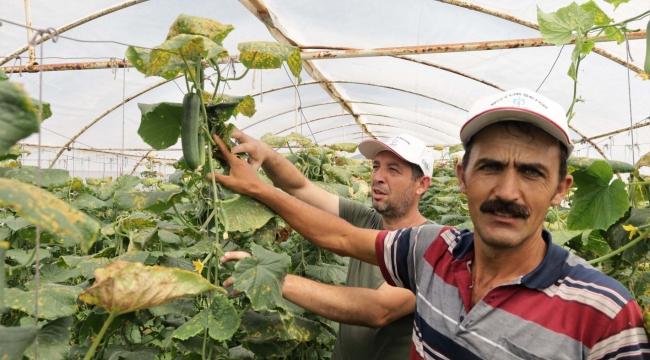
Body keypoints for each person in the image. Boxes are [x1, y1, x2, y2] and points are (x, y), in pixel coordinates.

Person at [211, 88, 650, 359]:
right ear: (463, 177)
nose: (508, 192)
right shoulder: (431, 249)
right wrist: (264, 169)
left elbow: (376, 309)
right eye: (491, 167)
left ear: (561, 188)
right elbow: (324, 216)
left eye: (532, 172)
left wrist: (265, 278)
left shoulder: (606, 314)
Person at [220, 129, 435, 359]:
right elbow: (300, 187)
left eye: (393, 169)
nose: (378, 177)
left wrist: (267, 276)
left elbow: (378, 309)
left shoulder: (430, 245)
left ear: (421, 184)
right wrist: (267, 154)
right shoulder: (365, 219)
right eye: (376, 166)